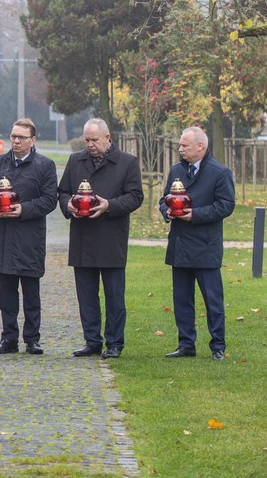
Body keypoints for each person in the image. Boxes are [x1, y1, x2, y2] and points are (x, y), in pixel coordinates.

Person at [57, 118, 143, 359]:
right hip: (82, 237)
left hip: (111, 237)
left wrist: (110, 205)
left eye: (94, 140)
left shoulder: (127, 163)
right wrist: (69, 206)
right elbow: (62, 191)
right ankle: (92, 340)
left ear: (108, 138)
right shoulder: (76, 161)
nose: (90, 144)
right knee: (86, 294)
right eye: (86, 140)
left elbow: (136, 196)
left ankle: (114, 342)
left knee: (114, 295)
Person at [0, 119, 57, 355]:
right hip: (3, 235)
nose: (15, 141)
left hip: (30, 237)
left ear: (32, 140)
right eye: (13, 136)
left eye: (21, 137)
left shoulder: (45, 165)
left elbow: (49, 200)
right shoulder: (0, 163)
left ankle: (32, 338)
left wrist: (23, 209)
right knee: (6, 293)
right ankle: (9, 338)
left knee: (31, 293)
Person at [160, 126, 235, 360]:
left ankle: (218, 346)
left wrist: (195, 215)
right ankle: (186, 345)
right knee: (182, 299)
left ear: (200, 146)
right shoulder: (176, 170)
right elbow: (164, 200)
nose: (180, 149)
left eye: (185, 145)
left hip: (205, 247)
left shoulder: (219, 172)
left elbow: (226, 205)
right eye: (180, 145)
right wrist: (167, 212)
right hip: (180, 245)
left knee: (213, 300)